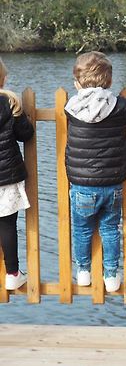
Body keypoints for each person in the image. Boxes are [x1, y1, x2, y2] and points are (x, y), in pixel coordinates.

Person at [65, 51, 126, 292]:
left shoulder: (71, 108)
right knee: (110, 229)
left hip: (81, 185)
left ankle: (83, 272)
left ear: (77, 82)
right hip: (112, 184)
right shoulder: (118, 106)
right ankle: (111, 275)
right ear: (109, 81)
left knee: (81, 229)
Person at [0, 58, 34, 290]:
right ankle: (12, 273)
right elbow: (26, 134)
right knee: (7, 224)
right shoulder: (9, 102)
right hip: (6, 176)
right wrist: (19, 111)